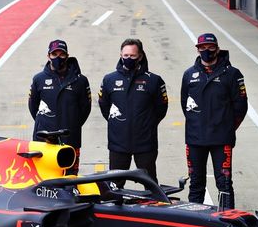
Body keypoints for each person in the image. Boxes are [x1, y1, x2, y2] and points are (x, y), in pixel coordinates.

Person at [181, 33, 248, 208]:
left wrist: (226, 127)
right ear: (197, 49)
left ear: (217, 49)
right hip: (195, 139)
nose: (206, 51)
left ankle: (227, 223)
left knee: (224, 184)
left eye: (210, 47)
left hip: (221, 139)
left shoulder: (232, 74)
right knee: (196, 183)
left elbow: (241, 107)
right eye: (202, 48)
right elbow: (185, 105)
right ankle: (195, 224)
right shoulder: (189, 74)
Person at [98, 39, 168, 182]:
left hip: (145, 144)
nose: (128, 59)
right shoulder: (109, 80)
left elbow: (161, 109)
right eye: (126, 56)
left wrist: (146, 125)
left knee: (150, 184)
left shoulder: (154, 80)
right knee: (115, 187)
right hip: (118, 143)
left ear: (140, 56)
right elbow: (105, 107)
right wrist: (118, 124)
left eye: (133, 56)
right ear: (121, 55)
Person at [28, 39, 91, 175]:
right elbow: (33, 107)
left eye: (61, 54)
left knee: (70, 178)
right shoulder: (38, 79)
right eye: (54, 54)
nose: (58, 58)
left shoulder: (80, 80)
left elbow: (85, 108)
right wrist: (45, 123)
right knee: (43, 177)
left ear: (67, 56)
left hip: (70, 138)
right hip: (44, 138)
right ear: (48, 56)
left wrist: (72, 123)